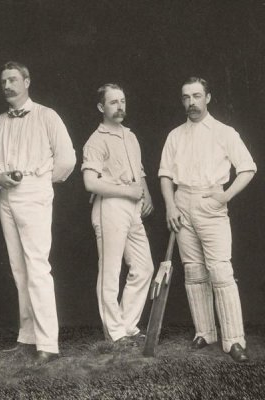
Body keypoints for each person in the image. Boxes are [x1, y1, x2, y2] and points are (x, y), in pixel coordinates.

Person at [0, 61, 76, 365]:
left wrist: (39, 182)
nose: (7, 86)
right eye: (3, 81)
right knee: (18, 268)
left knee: (37, 266)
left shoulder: (47, 116)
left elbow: (67, 159)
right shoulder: (0, 122)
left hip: (34, 194)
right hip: (7, 197)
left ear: (27, 82)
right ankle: (28, 337)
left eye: (12, 80)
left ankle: (48, 343)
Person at [159, 77, 256, 362]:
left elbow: (248, 168)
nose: (192, 102)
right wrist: (170, 206)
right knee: (193, 271)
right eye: (186, 97)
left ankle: (234, 340)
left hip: (210, 203)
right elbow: (165, 174)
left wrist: (224, 197)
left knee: (220, 271)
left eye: (197, 96)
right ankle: (205, 332)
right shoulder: (175, 135)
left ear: (208, 98)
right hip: (181, 202)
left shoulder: (225, 132)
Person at [81, 83, 154, 344]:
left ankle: (126, 324)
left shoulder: (130, 136)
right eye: (113, 102)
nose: (120, 106)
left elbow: (139, 172)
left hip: (132, 206)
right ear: (101, 107)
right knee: (111, 271)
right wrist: (128, 192)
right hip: (109, 207)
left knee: (144, 267)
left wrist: (146, 194)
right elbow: (90, 183)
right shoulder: (96, 140)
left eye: (122, 101)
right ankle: (114, 332)